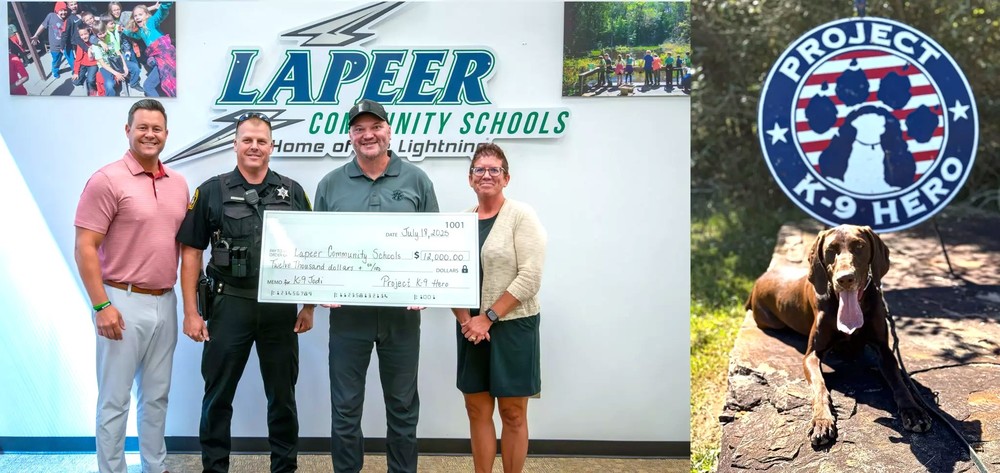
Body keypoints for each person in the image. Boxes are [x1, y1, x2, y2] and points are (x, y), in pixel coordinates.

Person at [177, 111, 314, 473]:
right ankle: (215, 467)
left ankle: (284, 468)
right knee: (218, 397)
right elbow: (191, 252)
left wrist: (309, 305)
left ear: (272, 146)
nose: (255, 146)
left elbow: (314, 251)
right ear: (234, 144)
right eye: (247, 140)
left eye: (261, 141)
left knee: (283, 398)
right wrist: (191, 312)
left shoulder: (293, 191)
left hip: (279, 308)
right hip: (228, 304)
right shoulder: (211, 191)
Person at [314, 99, 439, 473]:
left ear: (388, 130)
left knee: (402, 406)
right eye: (358, 128)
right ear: (350, 135)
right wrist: (319, 285)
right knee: (346, 407)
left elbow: (433, 244)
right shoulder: (330, 184)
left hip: (401, 318)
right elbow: (316, 247)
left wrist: (428, 287)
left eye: (375, 126)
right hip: (348, 318)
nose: (367, 134)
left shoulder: (416, 179)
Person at [74, 99, 189, 473]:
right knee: (114, 400)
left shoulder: (178, 183)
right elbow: (85, 247)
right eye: (142, 127)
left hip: (164, 302)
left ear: (166, 134)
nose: (150, 135)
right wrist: (101, 306)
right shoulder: (106, 180)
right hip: (121, 302)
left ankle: (155, 467)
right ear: (128, 131)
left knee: (157, 397)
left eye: (157, 129)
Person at [453, 143, 546, 473]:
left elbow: (531, 276)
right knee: (477, 409)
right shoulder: (459, 222)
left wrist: (488, 318)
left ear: (506, 178)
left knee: (513, 413)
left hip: (513, 326)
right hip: (470, 329)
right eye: (480, 169)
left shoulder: (521, 216)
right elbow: (446, 276)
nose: (487, 175)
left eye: (494, 170)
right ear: (470, 179)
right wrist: (467, 321)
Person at [124, 2, 175, 97]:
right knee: (150, 62)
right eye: (135, 16)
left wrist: (161, 5)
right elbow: (129, 33)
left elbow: (162, 11)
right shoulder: (140, 31)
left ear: (147, 15)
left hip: (166, 57)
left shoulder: (151, 22)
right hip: (158, 59)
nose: (137, 17)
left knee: (148, 86)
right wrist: (125, 28)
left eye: (140, 14)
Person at [29, 2, 70, 79]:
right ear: (56, 10)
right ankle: (55, 71)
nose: (63, 12)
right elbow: (43, 25)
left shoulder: (68, 19)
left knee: (72, 60)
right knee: (56, 61)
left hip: (66, 45)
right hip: (55, 47)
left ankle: (76, 71)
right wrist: (36, 35)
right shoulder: (51, 16)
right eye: (61, 10)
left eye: (65, 10)